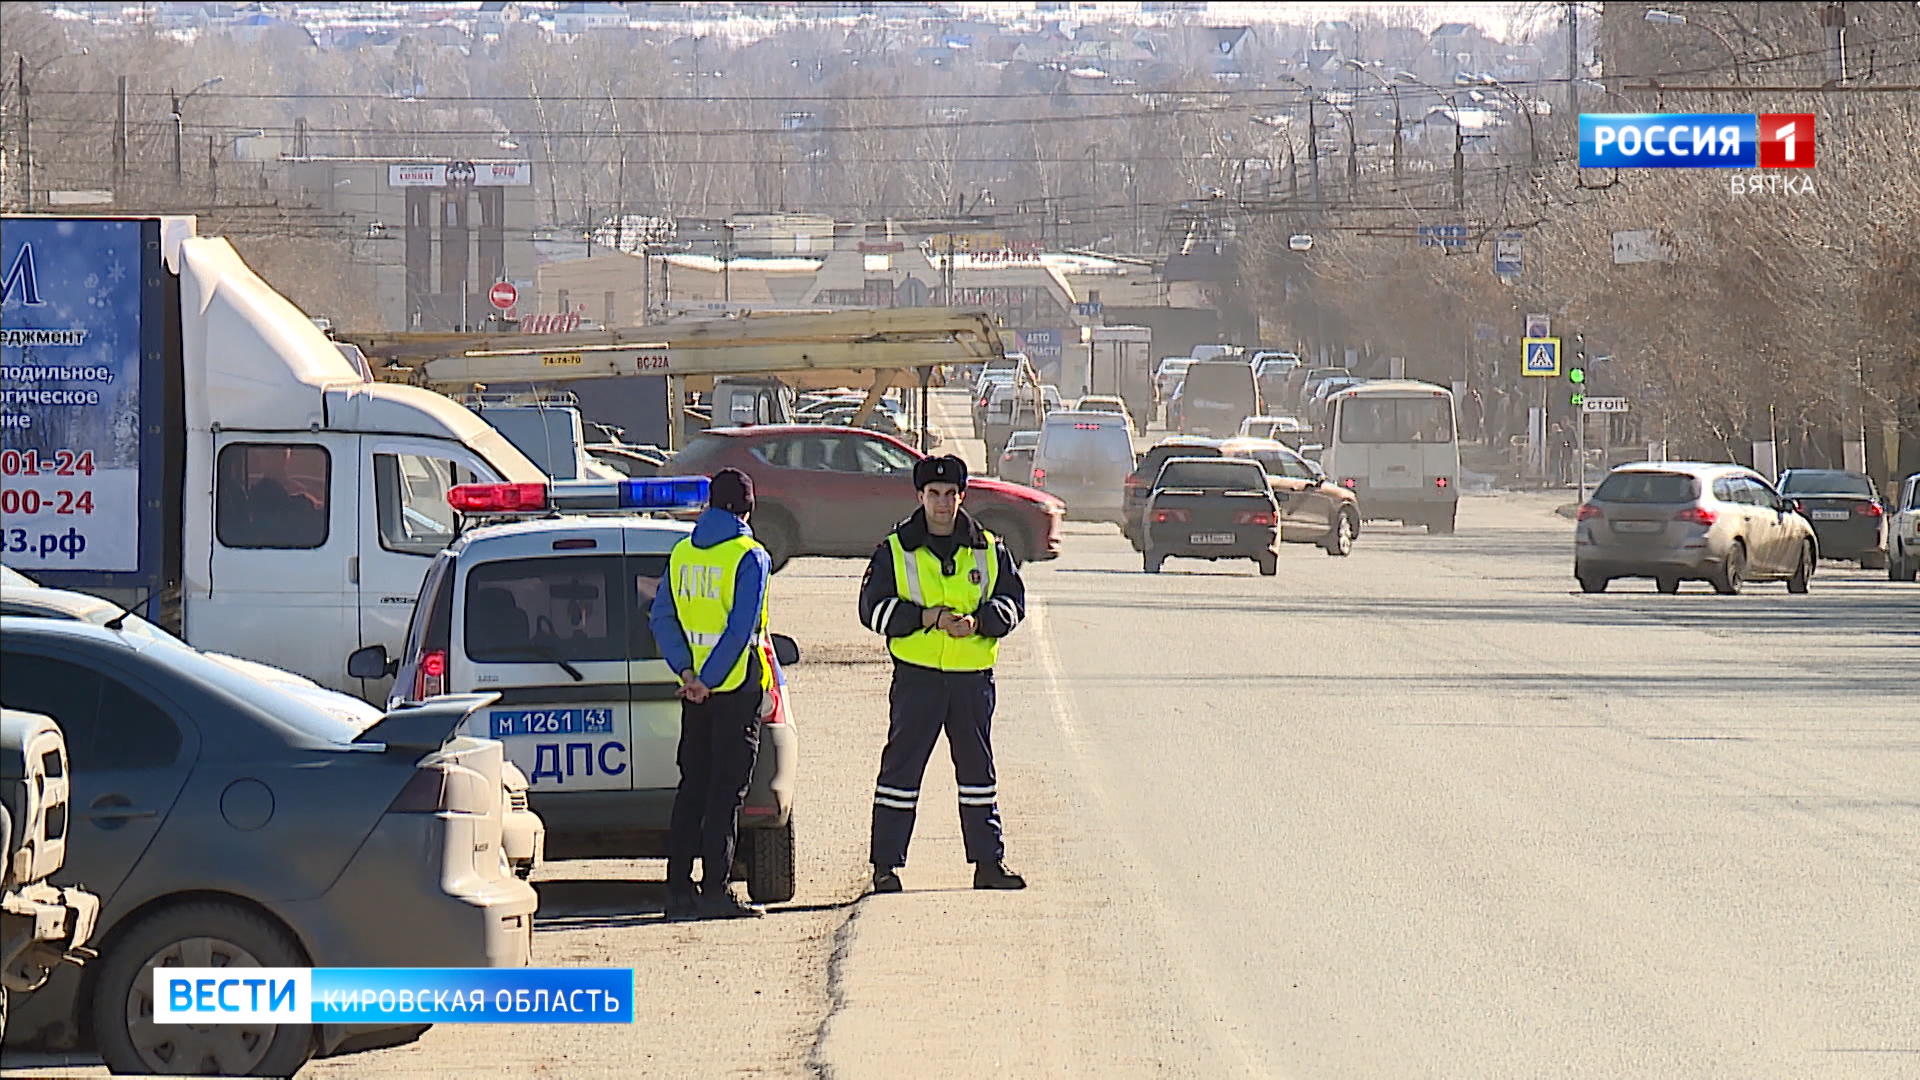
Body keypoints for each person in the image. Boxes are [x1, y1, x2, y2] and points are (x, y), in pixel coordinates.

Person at [857, 454, 1028, 894]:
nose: (942, 503)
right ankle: (885, 867)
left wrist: (981, 622)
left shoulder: (989, 548)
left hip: (972, 679)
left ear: (962, 496)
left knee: (978, 774)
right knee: (900, 773)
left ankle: (989, 863)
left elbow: (1013, 603)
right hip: (918, 679)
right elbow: (872, 611)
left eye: (951, 494)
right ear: (920, 496)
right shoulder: (895, 549)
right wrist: (926, 617)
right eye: (934, 494)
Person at [650, 468, 781, 920]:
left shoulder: (682, 552)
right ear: (748, 509)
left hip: (695, 694)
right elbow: (740, 629)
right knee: (725, 795)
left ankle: (676, 892)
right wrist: (710, 677)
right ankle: (715, 892)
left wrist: (687, 673)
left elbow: (661, 618)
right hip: (734, 688)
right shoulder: (750, 555)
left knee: (692, 790)